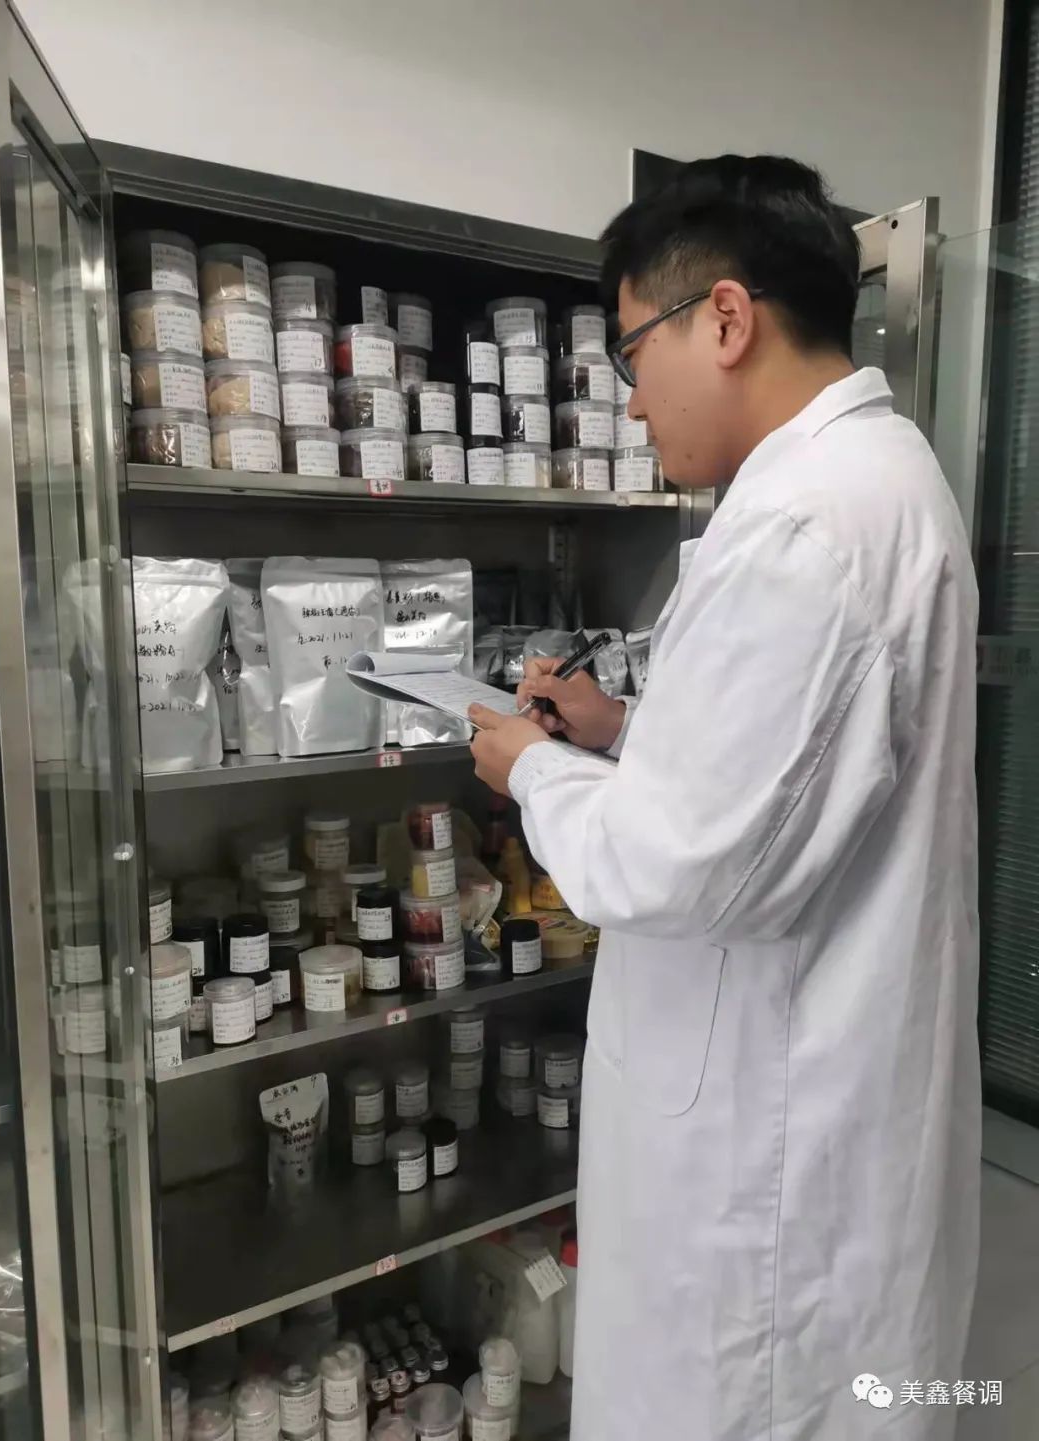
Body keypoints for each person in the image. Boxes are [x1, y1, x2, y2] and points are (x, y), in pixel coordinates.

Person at [469, 156, 980, 1441]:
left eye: (633, 352)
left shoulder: (807, 526)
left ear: (729, 320)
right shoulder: (870, 480)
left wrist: (532, 767)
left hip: (764, 1178)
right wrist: (621, 730)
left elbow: (677, 864)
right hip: (807, 1109)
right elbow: (796, 772)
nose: (632, 397)